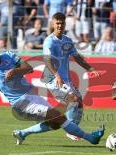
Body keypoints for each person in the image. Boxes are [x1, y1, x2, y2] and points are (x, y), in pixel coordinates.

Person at [0, 43, 105, 145]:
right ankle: (91, 138)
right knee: (58, 116)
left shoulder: (9, 56)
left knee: (55, 123)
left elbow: (29, 68)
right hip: (20, 102)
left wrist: (15, 70)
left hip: (32, 94)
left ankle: (22, 133)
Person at [43, 12, 100, 140]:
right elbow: (47, 61)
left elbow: (77, 57)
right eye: (57, 23)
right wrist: (57, 75)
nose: (59, 25)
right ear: (53, 24)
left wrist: (90, 68)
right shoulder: (49, 41)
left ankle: (72, 128)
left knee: (79, 102)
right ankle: (70, 130)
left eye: (62, 23)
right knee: (73, 100)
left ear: (65, 24)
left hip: (65, 80)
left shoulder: (68, 40)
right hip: (53, 79)